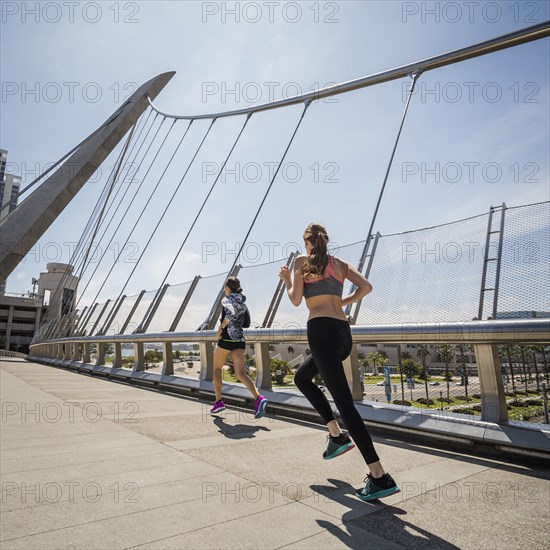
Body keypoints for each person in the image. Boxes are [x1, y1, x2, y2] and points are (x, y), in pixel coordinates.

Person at [279, 223, 400, 502]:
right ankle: (335, 435)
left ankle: (379, 476)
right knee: (302, 378)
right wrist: (342, 301)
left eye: (304, 240)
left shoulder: (300, 261)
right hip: (343, 334)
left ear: (308, 242)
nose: (304, 244)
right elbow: (367, 287)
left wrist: (288, 280)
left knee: (346, 407)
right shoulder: (340, 264)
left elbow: (296, 300)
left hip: (320, 331)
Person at [210, 276, 268, 419]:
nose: (224, 290)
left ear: (228, 288)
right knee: (240, 374)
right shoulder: (243, 302)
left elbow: (228, 316)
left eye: (225, 288)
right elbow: (247, 323)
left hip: (227, 338)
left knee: (216, 369)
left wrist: (219, 330)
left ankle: (219, 402)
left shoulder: (227, 300)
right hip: (239, 340)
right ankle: (259, 398)